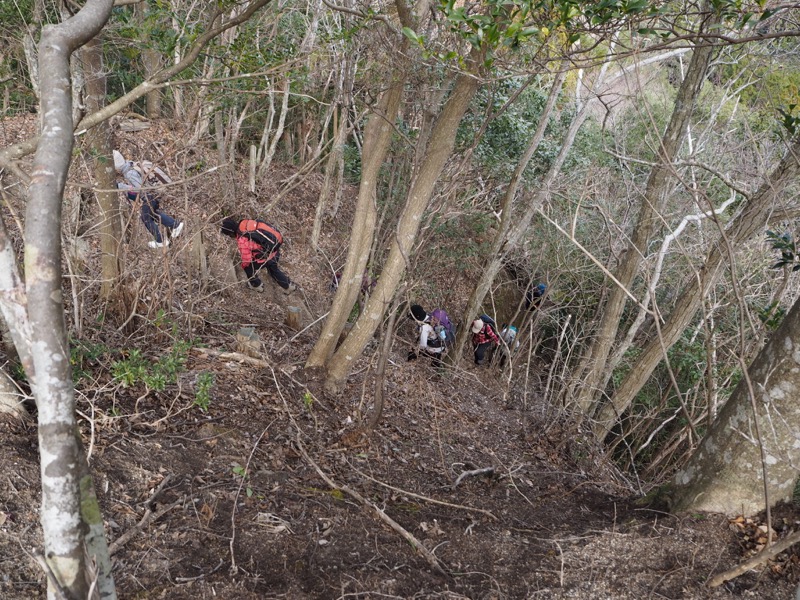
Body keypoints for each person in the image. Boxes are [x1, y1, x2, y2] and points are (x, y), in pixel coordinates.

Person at [113, 150, 183, 249]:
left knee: (145, 218)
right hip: (155, 194)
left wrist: (120, 186)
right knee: (153, 214)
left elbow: (139, 189)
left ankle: (160, 240)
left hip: (149, 196)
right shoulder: (132, 165)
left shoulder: (129, 173)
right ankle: (175, 225)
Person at [220, 217, 296, 294]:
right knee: (274, 270)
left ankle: (256, 285)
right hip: (274, 249)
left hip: (266, 256)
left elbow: (247, 259)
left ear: (231, 233)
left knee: (247, 267)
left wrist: (244, 265)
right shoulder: (245, 223)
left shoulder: (242, 239)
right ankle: (288, 286)